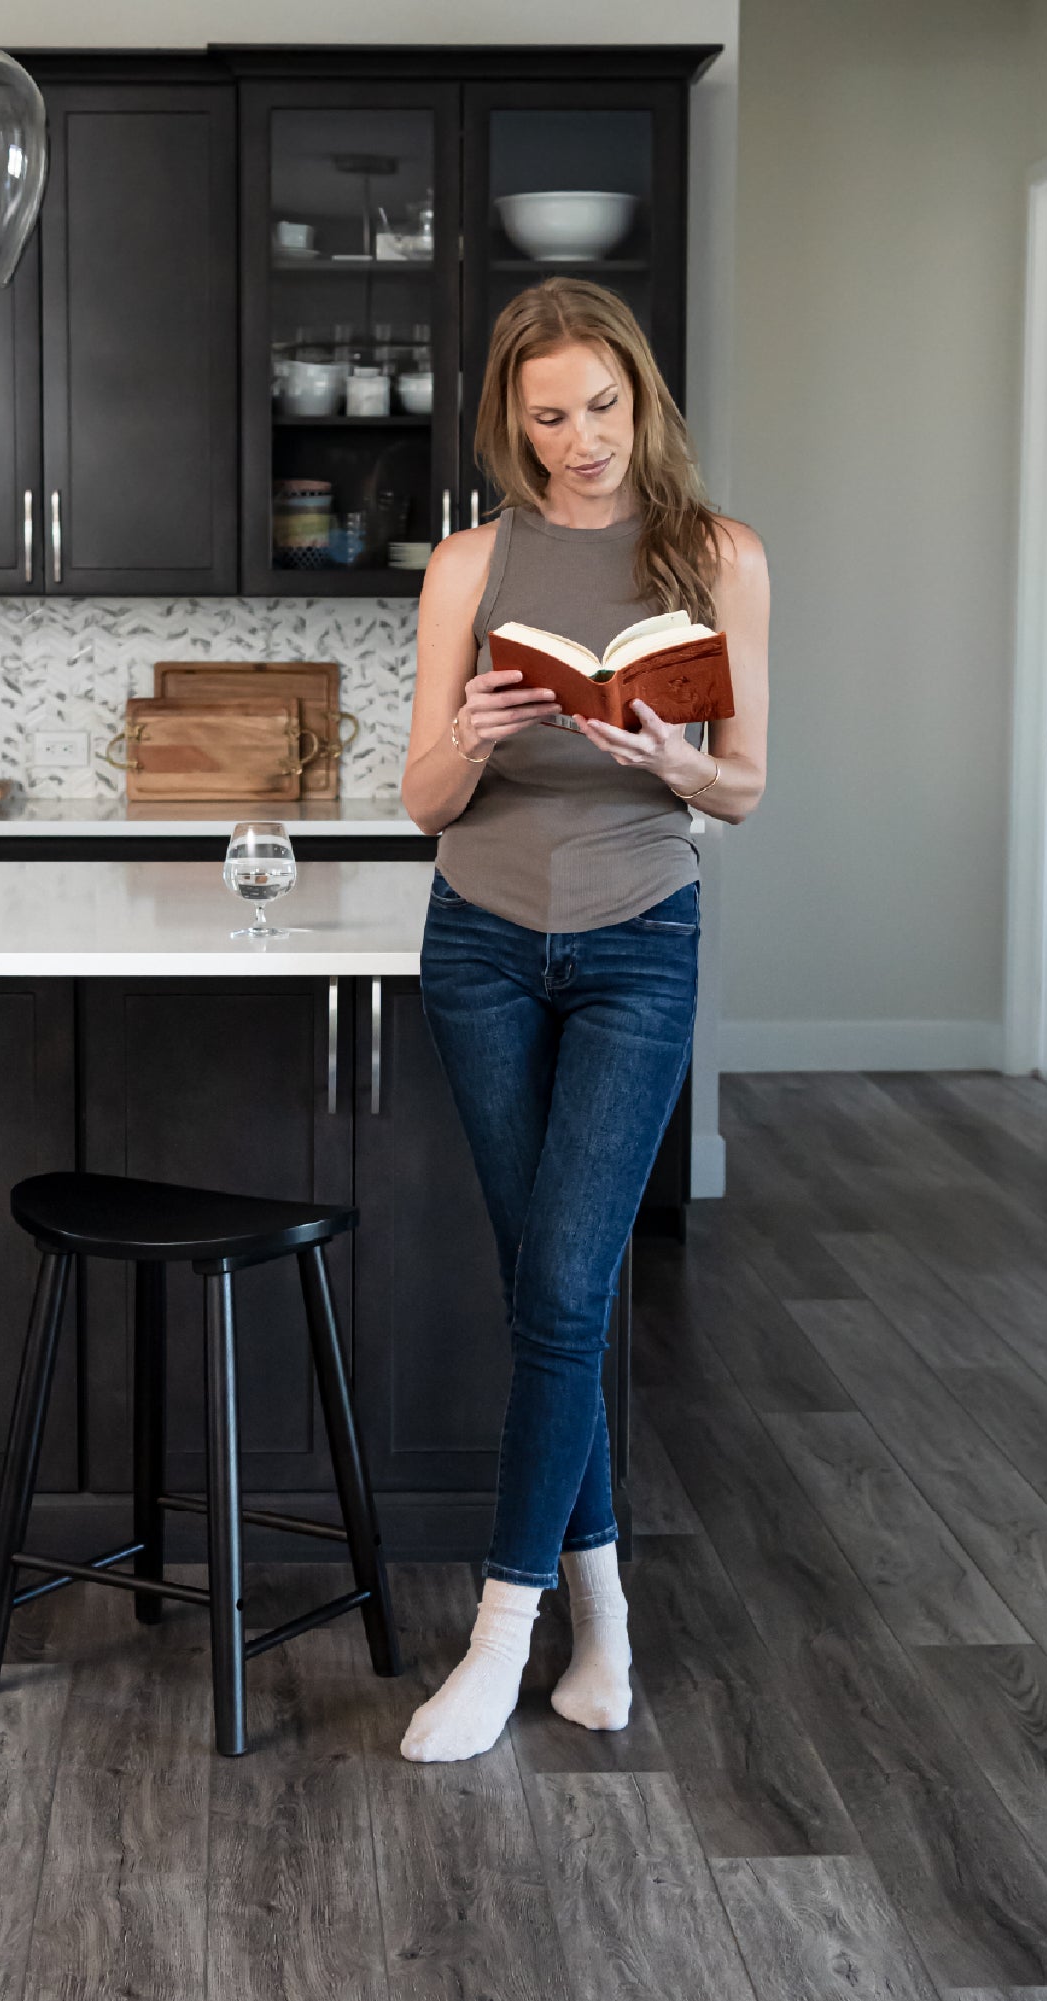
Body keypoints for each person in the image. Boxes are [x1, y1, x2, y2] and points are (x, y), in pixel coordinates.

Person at [396, 278, 769, 1763]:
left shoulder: (715, 554)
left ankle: (502, 1630)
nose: (579, 440)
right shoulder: (466, 567)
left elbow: (748, 787)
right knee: (544, 1296)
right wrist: (472, 738)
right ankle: (605, 1616)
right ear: (513, 418)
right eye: (547, 416)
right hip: (477, 943)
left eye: (601, 408)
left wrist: (674, 756)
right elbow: (418, 801)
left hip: (637, 944)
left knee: (561, 1286)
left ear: (640, 397)